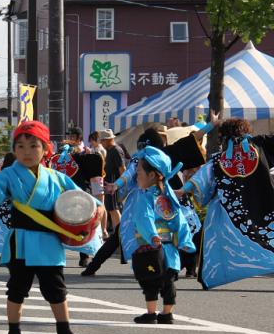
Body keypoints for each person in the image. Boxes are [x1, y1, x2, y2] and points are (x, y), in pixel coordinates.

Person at [0, 121, 85, 334]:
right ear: (14, 150)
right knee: (17, 288)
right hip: (21, 240)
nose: (26, 152)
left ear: (46, 148)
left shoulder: (56, 178)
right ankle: (14, 333)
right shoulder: (8, 175)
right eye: (20, 147)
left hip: (49, 241)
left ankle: (64, 332)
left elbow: (81, 200)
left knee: (56, 288)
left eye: (33, 146)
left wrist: (97, 207)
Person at [181, 118, 274, 291]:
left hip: (233, 209)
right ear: (246, 131)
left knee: (218, 234)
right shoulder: (259, 144)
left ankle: (212, 275)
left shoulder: (220, 158)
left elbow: (201, 178)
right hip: (268, 202)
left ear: (224, 137)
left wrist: (183, 190)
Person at [82, 117, 214, 278]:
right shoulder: (163, 154)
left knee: (125, 233)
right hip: (166, 197)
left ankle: (94, 266)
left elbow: (129, 173)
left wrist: (116, 185)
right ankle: (185, 267)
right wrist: (211, 125)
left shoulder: (150, 156)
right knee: (183, 231)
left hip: (159, 198)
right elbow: (191, 140)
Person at [127, 146, 195, 324]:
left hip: (151, 248)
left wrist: (151, 236)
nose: (137, 175)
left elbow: (144, 218)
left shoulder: (145, 196)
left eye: (139, 170)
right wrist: (185, 240)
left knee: (150, 282)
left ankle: (151, 313)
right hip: (170, 250)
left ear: (151, 175)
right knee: (168, 282)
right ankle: (167, 313)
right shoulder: (168, 195)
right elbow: (179, 219)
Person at [50, 126, 104, 267]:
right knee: (58, 222)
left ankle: (84, 255)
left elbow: (95, 172)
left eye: (74, 137)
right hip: (63, 192)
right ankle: (57, 254)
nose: (71, 139)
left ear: (79, 139)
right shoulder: (62, 152)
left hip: (81, 193)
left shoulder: (86, 152)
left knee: (82, 222)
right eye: (70, 136)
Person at [98, 129, 125, 231]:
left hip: (114, 184)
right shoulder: (109, 150)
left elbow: (122, 169)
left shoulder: (116, 150)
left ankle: (120, 233)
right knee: (111, 209)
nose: (101, 143)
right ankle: (116, 232)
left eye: (103, 140)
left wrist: (121, 184)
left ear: (109, 140)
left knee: (114, 209)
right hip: (109, 183)